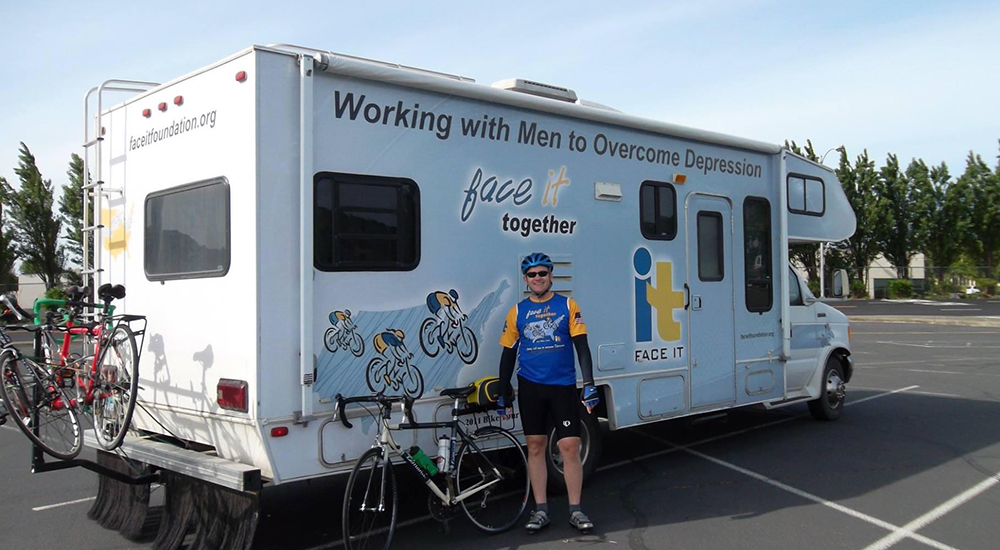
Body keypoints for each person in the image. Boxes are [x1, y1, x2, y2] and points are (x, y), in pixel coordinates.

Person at [497, 252, 600, 534]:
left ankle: (576, 510)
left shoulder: (567, 305)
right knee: (535, 447)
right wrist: (503, 388)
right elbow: (508, 353)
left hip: (563, 386)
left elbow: (582, 347)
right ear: (525, 280)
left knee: (569, 447)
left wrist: (589, 384)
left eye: (543, 273)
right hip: (530, 386)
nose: (538, 278)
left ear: (551, 276)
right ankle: (541, 509)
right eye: (532, 275)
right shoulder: (518, 311)